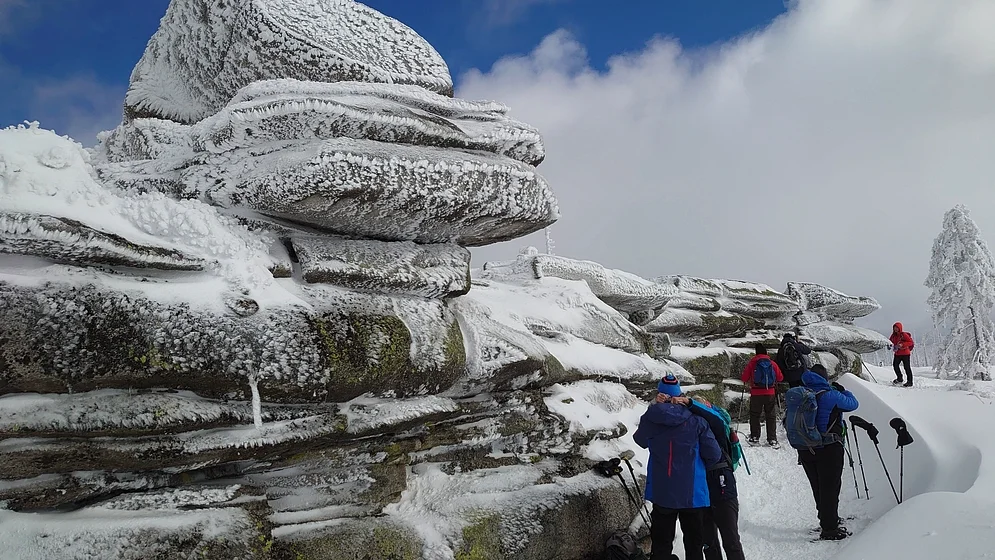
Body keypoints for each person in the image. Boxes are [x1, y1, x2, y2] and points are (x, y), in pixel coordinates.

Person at [635, 374, 723, 560]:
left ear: (660, 394)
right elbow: (714, 455)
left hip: (662, 492)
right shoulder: (698, 421)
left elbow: (639, 440)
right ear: (679, 394)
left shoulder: (652, 419)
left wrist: (653, 407)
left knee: (661, 545)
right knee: (694, 546)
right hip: (693, 494)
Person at [656, 390, 746, 560]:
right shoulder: (689, 429)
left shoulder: (718, 428)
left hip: (722, 490)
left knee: (731, 541)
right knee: (709, 543)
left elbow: (715, 421)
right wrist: (658, 403)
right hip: (701, 494)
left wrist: (691, 403)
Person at [796, 364, 859, 540]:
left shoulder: (800, 394)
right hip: (829, 447)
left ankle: (826, 519)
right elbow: (853, 404)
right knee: (830, 487)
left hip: (806, 448)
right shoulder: (830, 395)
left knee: (818, 486)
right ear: (824, 377)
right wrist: (844, 391)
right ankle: (830, 528)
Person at [740, 343, 784, 447]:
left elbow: (744, 378)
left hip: (756, 393)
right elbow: (780, 378)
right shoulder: (772, 363)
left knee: (755, 415)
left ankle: (755, 438)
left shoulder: (752, 363)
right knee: (771, 415)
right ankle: (772, 439)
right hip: (770, 393)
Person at [890, 322, 915, 387]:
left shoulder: (903, 334)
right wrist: (889, 345)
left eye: (897, 328)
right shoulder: (893, 336)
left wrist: (902, 344)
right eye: (894, 328)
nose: (895, 329)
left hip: (905, 354)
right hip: (897, 354)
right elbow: (890, 342)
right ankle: (899, 378)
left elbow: (910, 342)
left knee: (907, 368)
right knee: (895, 366)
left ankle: (910, 382)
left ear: (900, 328)